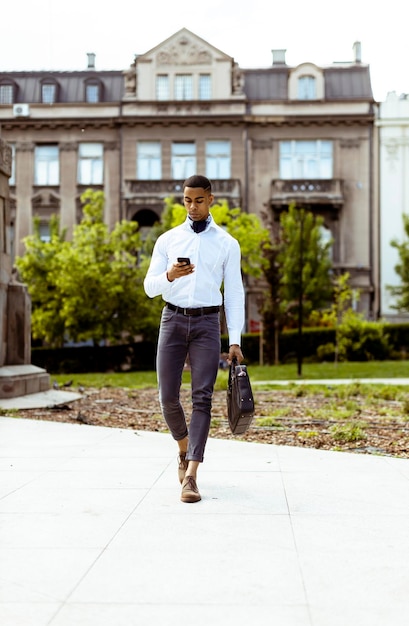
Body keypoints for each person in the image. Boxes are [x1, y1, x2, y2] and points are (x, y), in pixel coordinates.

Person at [143, 174, 245, 503]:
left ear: (211, 199)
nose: (193, 206)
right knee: (167, 397)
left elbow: (234, 294)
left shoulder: (227, 244)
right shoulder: (168, 240)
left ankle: (191, 476)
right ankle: (184, 449)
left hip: (206, 323)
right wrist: (170, 275)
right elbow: (149, 287)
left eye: (199, 200)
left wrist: (235, 339)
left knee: (202, 399)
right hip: (172, 319)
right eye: (187, 200)